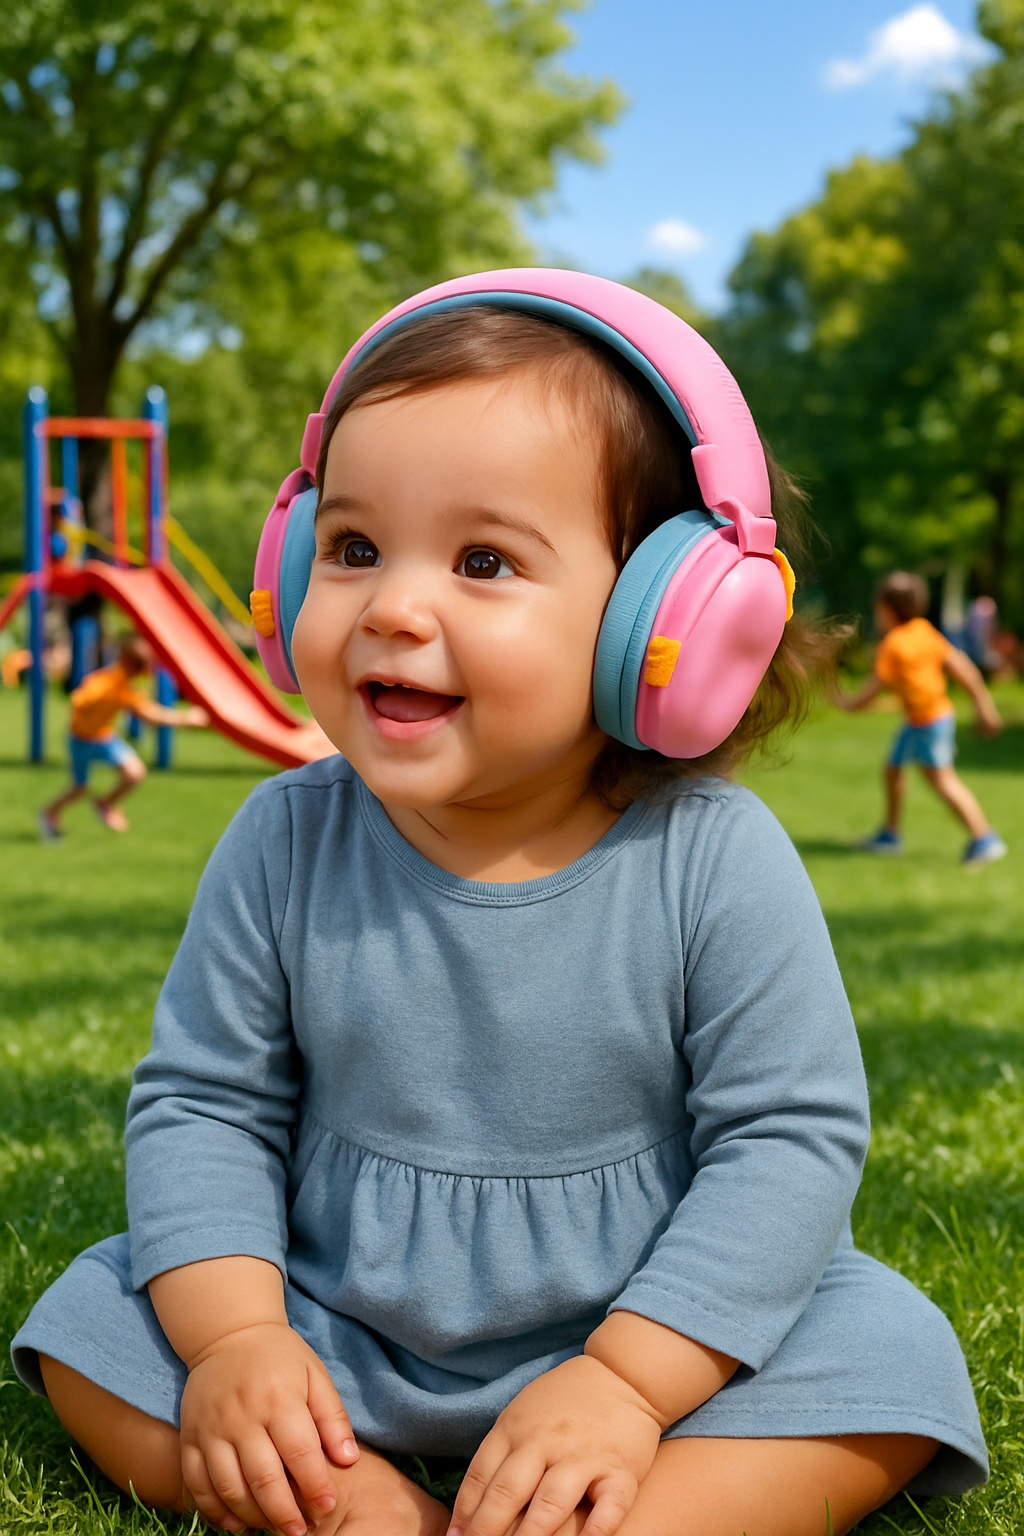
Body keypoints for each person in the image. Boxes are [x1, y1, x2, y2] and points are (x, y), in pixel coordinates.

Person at [12, 280, 988, 1536]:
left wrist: (630, 1381)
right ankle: (362, 1506)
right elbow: (206, 1105)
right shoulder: (284, 839)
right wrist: (239, 1340)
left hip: (659, 1330)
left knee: (885, 1355)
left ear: (659, 622)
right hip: (335, 1314)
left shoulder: (710, 857)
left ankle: (626, 1505)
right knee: (98, 1325)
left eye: (483, 562)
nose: (394, 608)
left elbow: (784, 1141)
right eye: (353, 549)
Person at [838, 572, 1006, 866]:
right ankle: (890, 836)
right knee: (893, 769)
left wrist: (848, 703)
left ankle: (985, 839)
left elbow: (872, 690)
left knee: (941, 779)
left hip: (929, 721)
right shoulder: (925, 631)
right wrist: (984, 706)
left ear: (887, 610)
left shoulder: (893, 644)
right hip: (924, 718)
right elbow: (965, 670)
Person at [38, 634, 208, 837]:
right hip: (81, 740)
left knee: (134, 773)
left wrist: (185, 718)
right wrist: (186, 718)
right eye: (143, 667)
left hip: (104, 738)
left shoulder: (124, 687)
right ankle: (49, 812)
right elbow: (80, 699)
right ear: (134, 666)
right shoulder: (108, 682)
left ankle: (105, 803)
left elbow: (150, 715)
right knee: (79, 787)